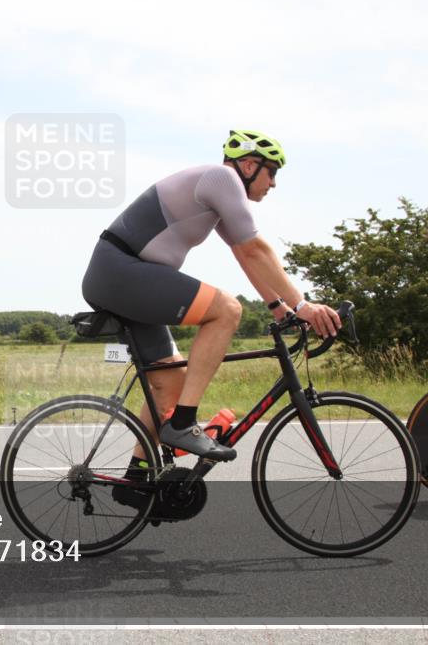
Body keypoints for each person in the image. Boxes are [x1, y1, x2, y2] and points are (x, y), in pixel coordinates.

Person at [81, 129, 342, 474]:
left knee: (170, 380)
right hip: (122, 270)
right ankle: (184, 423)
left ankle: (138, 476)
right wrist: (303, 306)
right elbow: (256, 249)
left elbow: (244, 254)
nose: (274, 183)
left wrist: (278, 306)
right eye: (272, 172)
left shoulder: (218, 193)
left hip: (124, 275)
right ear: (249, 165)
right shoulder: (222, 178)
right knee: (227, 310)